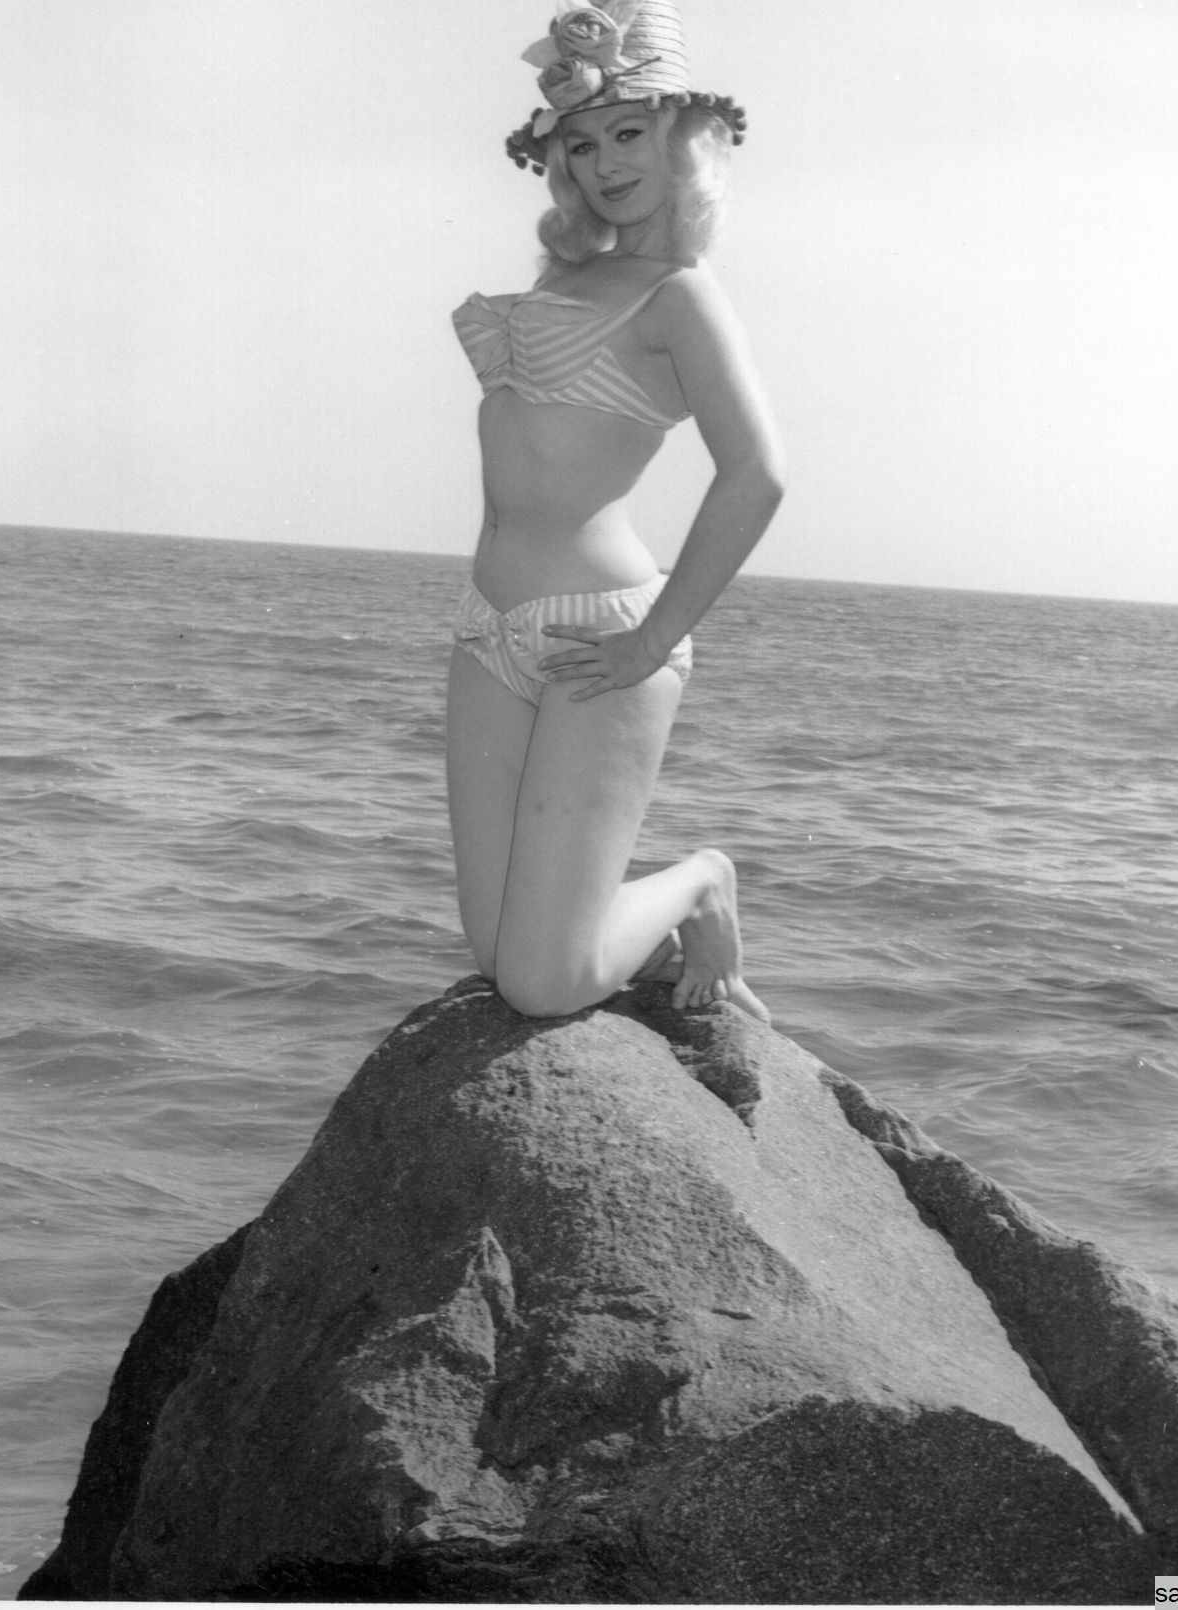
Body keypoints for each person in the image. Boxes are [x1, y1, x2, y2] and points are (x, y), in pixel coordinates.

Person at [448, 0, 783, 1022]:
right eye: (583, 143)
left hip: (602, 635)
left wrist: (653, 640)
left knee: (541, 980)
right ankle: (635, 942)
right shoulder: (573, 277)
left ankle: (703, 883)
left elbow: (756, 474)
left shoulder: (680, 294)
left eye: (629, 132)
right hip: (486, 628)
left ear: (683, 141)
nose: (604, 163)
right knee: (497, 952)